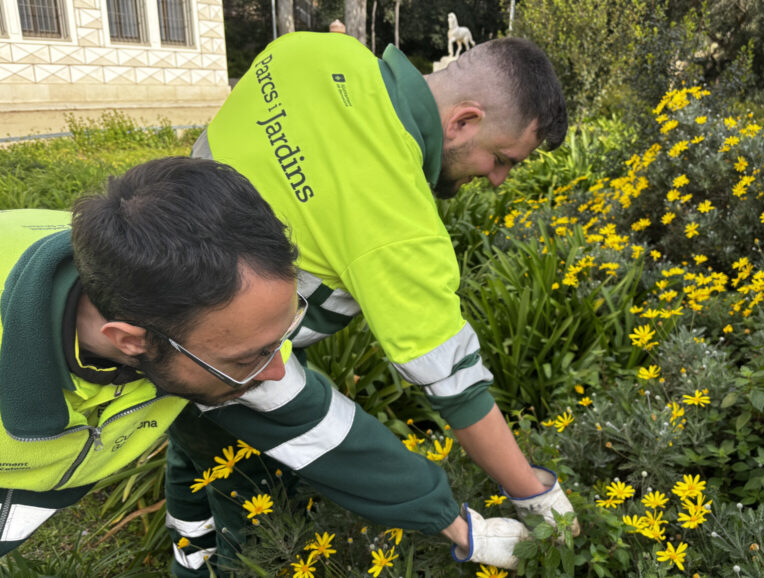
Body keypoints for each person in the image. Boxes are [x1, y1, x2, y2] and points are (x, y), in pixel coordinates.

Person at [176, 31, 578, 573]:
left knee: (191, 452)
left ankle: (187, 549)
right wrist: (534, 495)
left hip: (152, 283)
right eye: (503, 158)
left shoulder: (306, 51)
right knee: (258, 521)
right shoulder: (403, 226)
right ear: (464, 121)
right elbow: (456, 388)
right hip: (222, 367)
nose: (499, 179)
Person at [0, 157, 517, 569]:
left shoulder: (176, 310)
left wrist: (462, 527)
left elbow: (323, 428)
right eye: (250, 356)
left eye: (279, 339)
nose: (274, 372)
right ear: (130, 341)